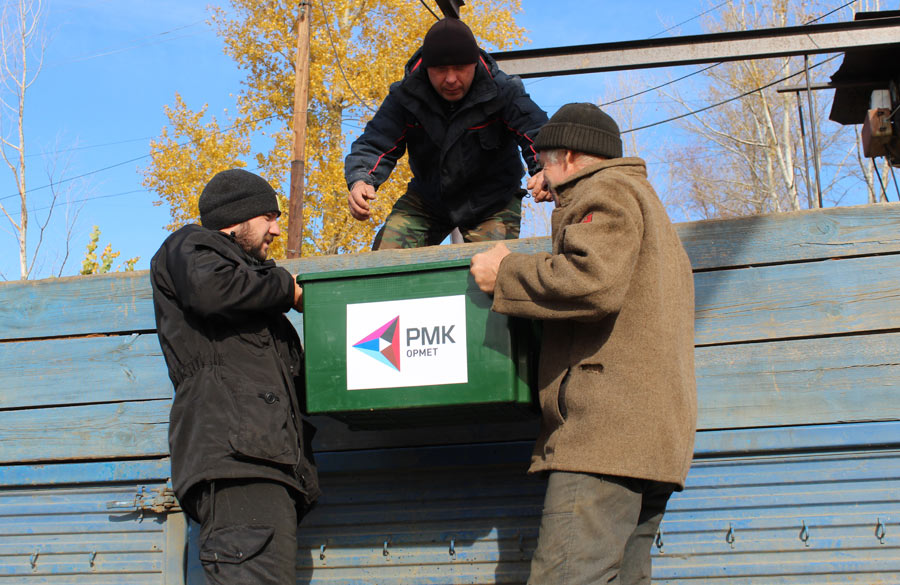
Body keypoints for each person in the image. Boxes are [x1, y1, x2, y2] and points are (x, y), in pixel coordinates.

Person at [470, 103, 697, 585]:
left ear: (569, 157)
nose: (542, 179)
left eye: (544, 163)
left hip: (605, 437)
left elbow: (592, 280)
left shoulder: (606, 192)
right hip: (648, 440)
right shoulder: (648, 206)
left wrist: (505, 272)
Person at [150, 169, 320, 585]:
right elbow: (211, 289)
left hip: (260, 468)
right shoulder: (190, 246)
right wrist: (286, 288)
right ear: (237, 218)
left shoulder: (249, 293)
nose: (277, 230)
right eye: (269, 217)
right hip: (237, 467)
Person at [344, 17, 550, 250]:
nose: (451, 79)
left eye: (460, 69)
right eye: (441, 70)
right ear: (426, 68)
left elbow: (536, 131)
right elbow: (376, 142)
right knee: (384, 261)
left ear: (474, 64)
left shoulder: (503, 91)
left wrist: (545, 168)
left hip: (492, 202)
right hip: (429, 199)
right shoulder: (406, 97)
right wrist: (361, 179)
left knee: (493, 271)